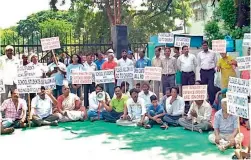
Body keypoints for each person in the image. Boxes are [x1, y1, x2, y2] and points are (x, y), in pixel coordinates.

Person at [197, 40, 217, 105]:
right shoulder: (199, 54)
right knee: (204, 87)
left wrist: (215, 71)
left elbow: (216, 62)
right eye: (203, 45)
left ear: (207, 45)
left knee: (211, 87)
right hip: (203, 72)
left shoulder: (213, 53)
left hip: (211, 72)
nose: (204, 46)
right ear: (202, 46)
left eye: (205, 45)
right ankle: (204, 102)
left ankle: (212, 102)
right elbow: (199, 64)